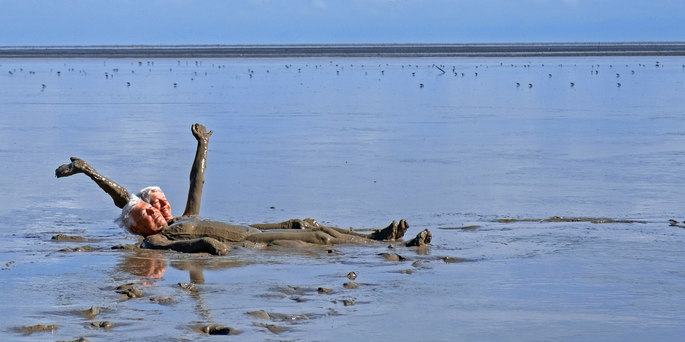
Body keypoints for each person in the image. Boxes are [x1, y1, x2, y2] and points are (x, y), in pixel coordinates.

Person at [55, 124, 430, 255]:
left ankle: (378, 239)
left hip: (257, 233)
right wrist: (90, 172)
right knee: (317, 238)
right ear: (136, 228)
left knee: (313, 227)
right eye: (148, 213)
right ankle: (387, 247)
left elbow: (195, 183)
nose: (155, 212)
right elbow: (182, 242)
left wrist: (203, 144)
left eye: (153, 208)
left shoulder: (183, 219)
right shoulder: (154, 242)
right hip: (255, 243)